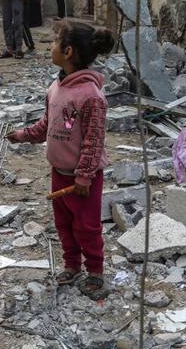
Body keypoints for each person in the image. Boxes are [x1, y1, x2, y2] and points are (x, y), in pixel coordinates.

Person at [7, 21, 115, 300]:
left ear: (68, 51)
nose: (50, 47)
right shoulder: (56, 86)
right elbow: (49, 125)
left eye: (55, 43)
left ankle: (95, 271)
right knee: (64, 224)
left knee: (87, 226)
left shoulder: (91, 96)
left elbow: (93, 141)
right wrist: (22, 135)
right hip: (59, 172)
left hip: (83, 179)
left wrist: (83, 176)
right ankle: (72, 265)